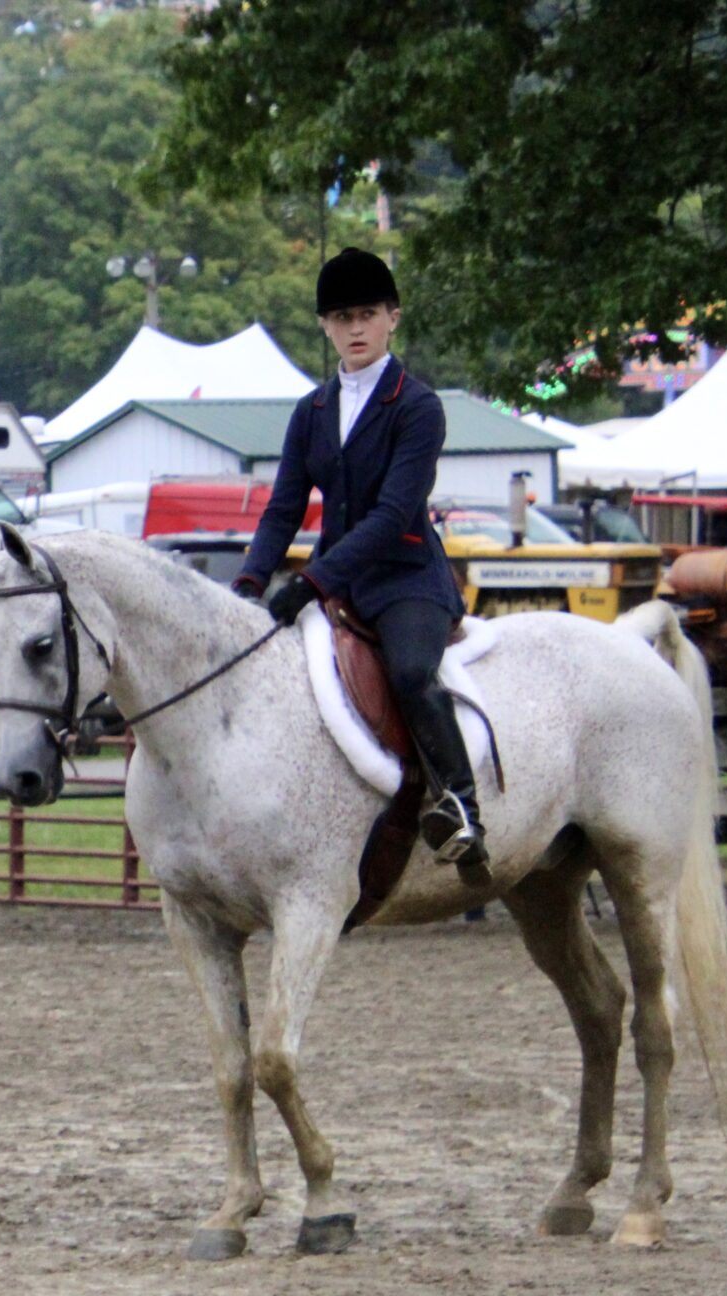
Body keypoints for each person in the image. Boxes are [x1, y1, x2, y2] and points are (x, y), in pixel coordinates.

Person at [232, 247, 484, 865]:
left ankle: (461, 803)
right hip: (336, 583)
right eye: (342, 317)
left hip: (406, 580)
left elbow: (394, 515)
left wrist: (312, 582)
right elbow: (283, 507)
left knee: (408, 674)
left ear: (392, 318)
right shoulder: (311, 412)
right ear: (325, 326)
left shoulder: (417, 406)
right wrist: (249, 580)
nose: (355, 328)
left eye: (367, 314)